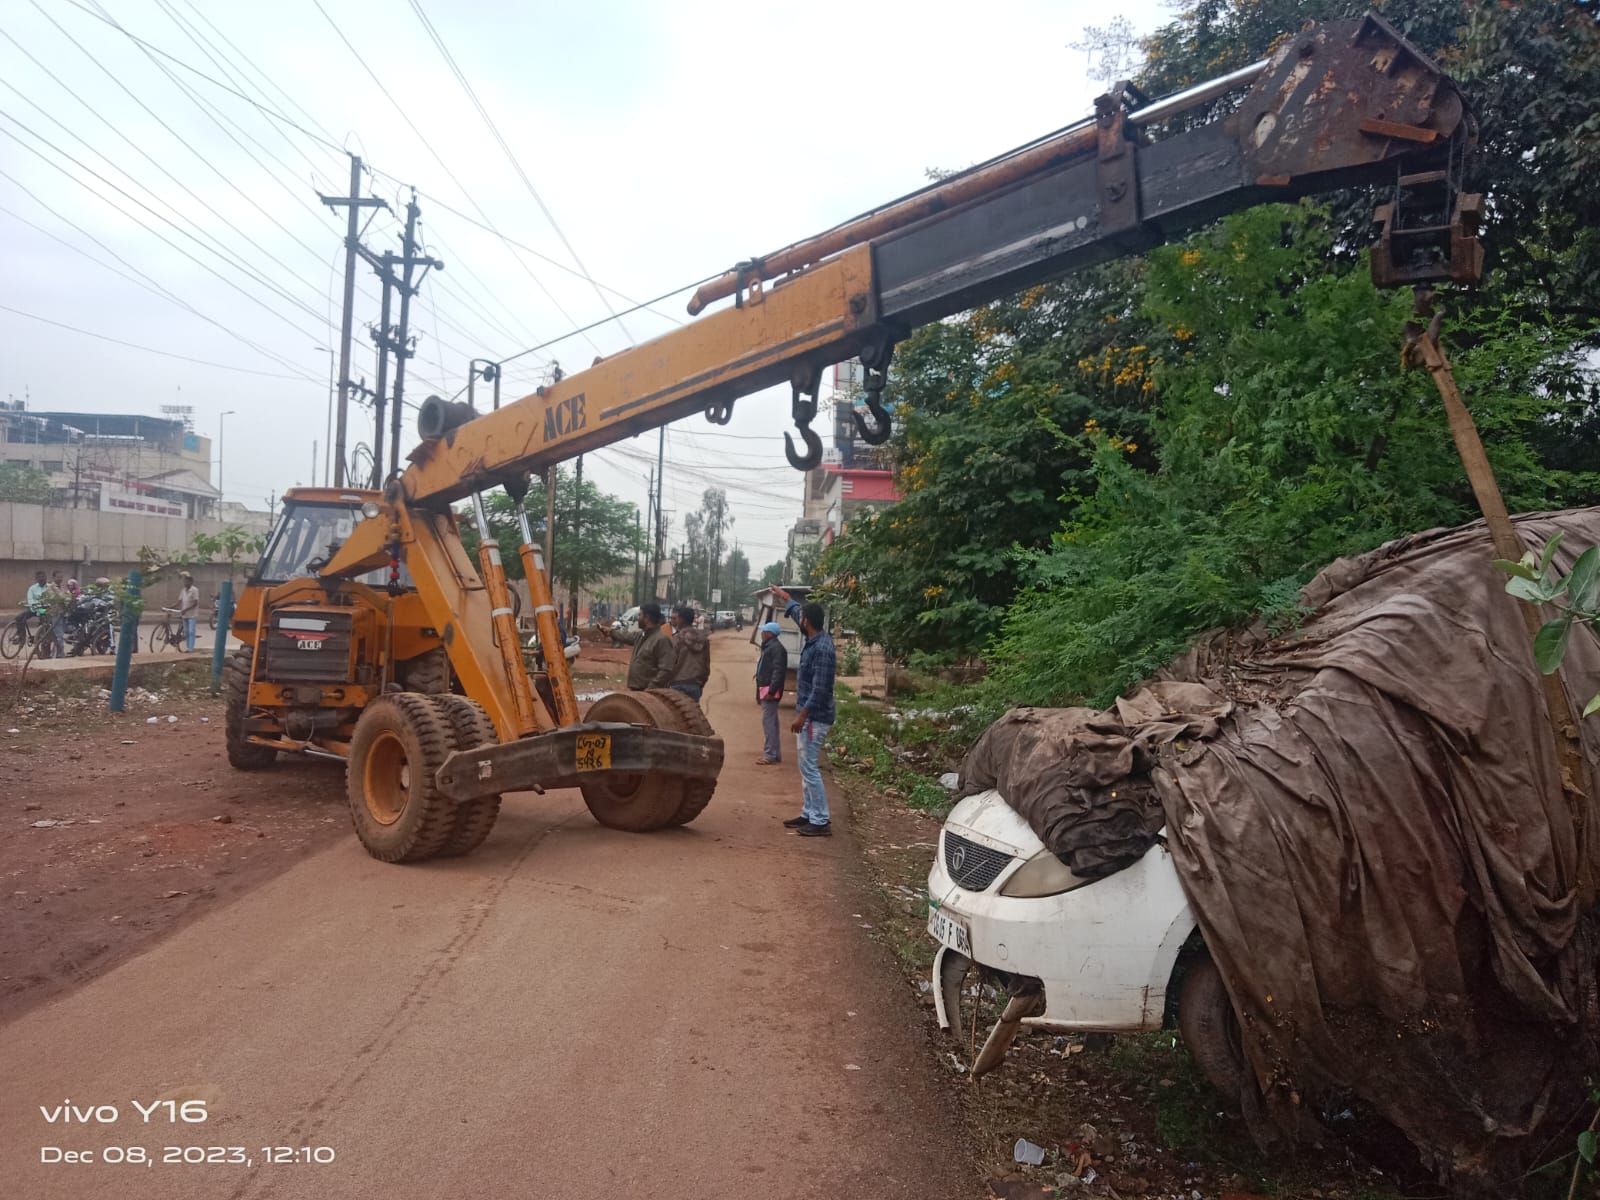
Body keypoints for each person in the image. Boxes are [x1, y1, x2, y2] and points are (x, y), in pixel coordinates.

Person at [769, 585, 837, 837]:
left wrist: (802, 716)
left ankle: (820, 821)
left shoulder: (822, 650)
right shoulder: (814, 636)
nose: (798, 618)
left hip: (815, 719)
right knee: (805, 767)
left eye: (801, 617)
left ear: (807, 622)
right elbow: (797, 609)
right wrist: (786, 598)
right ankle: (809, 813)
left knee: (809, 768)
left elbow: (820, 690)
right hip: (810, 717)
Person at [604, 602, 674, 690]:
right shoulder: (641, 636)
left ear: (647, 618)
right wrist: (610, 632)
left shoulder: (661, 640)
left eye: (640, 615)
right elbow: (625, 636)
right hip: (637, 690)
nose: (637, 618)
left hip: (649, 693)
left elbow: (666, 670)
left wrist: (651, 687)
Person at [754, 621, 788, 766]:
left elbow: (778, 671)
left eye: (764, 631)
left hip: (770, 689)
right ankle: (775, 754)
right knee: (772, 722)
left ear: (770, 634)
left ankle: (770, 755)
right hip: (767, 687)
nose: (761, 633)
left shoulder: (776, 649)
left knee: (768, 722)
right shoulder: (772, 647)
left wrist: (772, 691)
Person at [667, 604, 710, 702]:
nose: (676, 621)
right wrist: (701, 683)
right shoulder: (704, 640)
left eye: (677, 618)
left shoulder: (676, 639)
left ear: (681, 620)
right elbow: (706, 665)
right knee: (692, 715)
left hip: (677, 684)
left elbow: (670, 663)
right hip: (695, 685)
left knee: (676, 715)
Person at [177, 571, 201, 652]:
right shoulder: (183, 590)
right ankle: (187, 647)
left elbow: (195, 603)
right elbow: (179, 601)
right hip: (185, 615)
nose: (185, 583)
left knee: (191, 631)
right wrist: (170, 607)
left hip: (192, 615)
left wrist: (186, 609)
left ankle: (190, 648)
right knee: (186, 632)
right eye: (184, 581)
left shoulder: (194, 590)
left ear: (191, 582)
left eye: (187, 581)